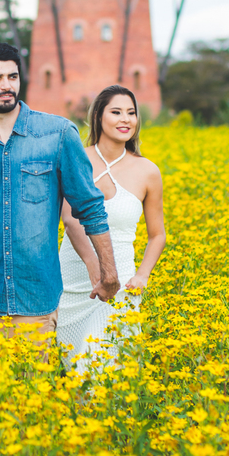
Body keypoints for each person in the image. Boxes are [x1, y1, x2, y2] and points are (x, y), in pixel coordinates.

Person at [0, 43, 121, 365]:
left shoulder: (57, 135)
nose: (6, 85)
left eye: (12, 76)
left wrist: (107, 271)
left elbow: (90, 209)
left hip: (33, 304)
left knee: (28, 407)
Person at [57, 85, 166, 370]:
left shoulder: (147, 171)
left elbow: (157, 235)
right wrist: (99, 271)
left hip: (121, 284)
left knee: (100, 366)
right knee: (67, 366)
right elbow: (70, 221)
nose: (125, 119)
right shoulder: (77, 158)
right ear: (99, 117)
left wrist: (142, 276)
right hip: (72, 279)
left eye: (131, 113)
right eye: (116, 112)